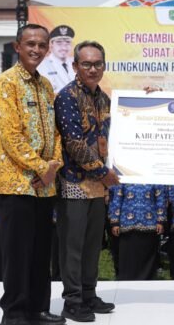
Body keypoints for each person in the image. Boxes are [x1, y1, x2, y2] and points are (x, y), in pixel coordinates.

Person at [0, 24, 64, 325]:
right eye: (30, 44)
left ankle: (38, 308)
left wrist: (53, 166)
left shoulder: (45, 85)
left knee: (40, 251)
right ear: (17, 47)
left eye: (42, 45)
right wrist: (41, 167)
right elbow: (10, 135)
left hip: (44, 185)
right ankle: (15, 313)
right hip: (16, 183)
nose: (36, 49)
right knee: (18, 253)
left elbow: (55, 133)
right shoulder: (6, 83)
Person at [54, 40, 119, 322]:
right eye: (86, 64)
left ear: (104, 66)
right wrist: (102, 172)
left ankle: (89, 294)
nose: (93, 69)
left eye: (97, 64)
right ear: (75, 66)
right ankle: (73, 300)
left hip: (99, 184)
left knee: (93, 244)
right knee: (74, 246)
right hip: (74, 183)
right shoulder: (67, 96)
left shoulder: (103, 98)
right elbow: (74, 144)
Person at [108, 184, 165, 280]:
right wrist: (115, 221)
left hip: (149, 223)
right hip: (127, 223)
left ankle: (147, 281)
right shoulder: (124, 177)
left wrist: (160, 220)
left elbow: (160, 198)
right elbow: (117, 198)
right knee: (128, 257)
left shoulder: (152, 176)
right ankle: (127, 281)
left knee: (147, 256)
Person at [38, 25, 76, 94]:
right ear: (51, 45)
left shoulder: (77, 63)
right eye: (59, 43)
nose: (64, 48)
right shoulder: (41, 66)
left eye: (67, 43)